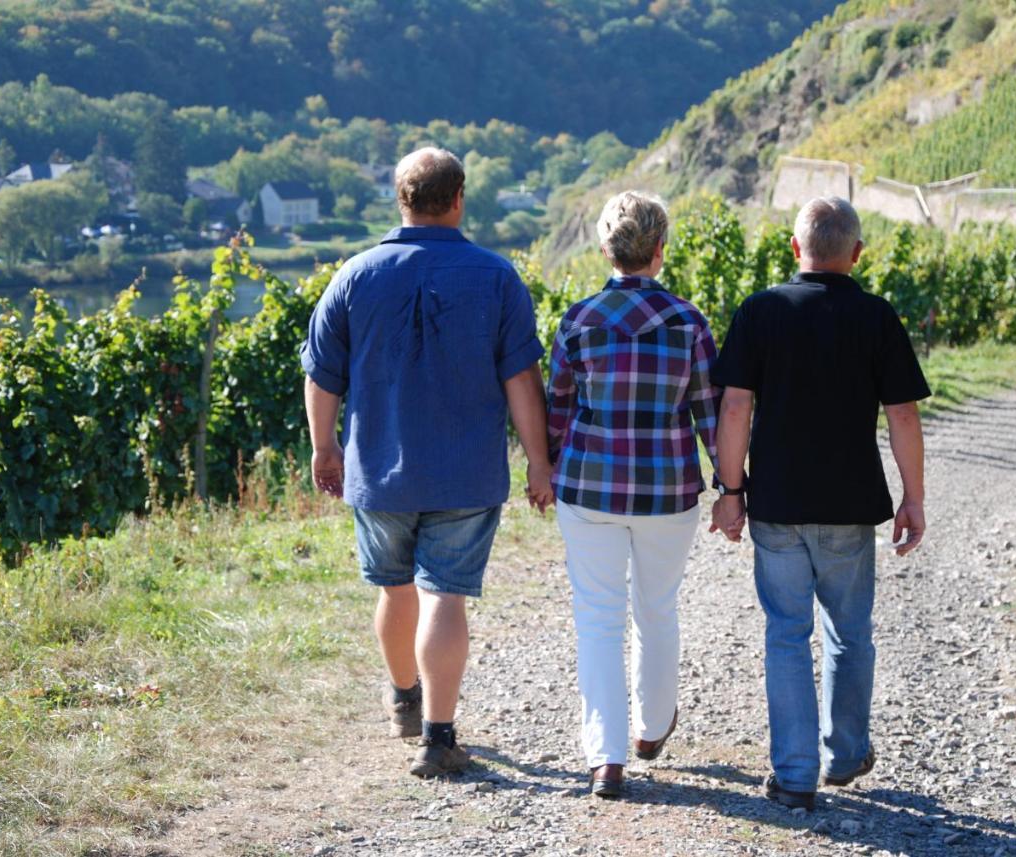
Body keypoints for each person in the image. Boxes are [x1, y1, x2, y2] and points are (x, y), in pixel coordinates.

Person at [301, 147, 554, 778]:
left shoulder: (355, 274)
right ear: (459, 197)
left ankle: (403, 702)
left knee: (393, 587)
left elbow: (321, 374)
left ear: (401, 199)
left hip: (380, 467)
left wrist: (324, 447)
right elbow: (523, 378)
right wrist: (538, 461)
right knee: (446, 596)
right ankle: (439, 739)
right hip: (466, 471)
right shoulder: (497, 276)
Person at [709, 196, 929, 811]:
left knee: (786, 634)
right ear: (856, 253)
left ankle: (796, 775)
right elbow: (903, 414)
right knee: (850, 633)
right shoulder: (877, 316)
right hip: (851, 506)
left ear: (792, 247)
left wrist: (731, 491)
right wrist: (913, 497)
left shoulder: (761, 310)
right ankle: (846, 752)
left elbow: (734, 406)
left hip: (777, 503)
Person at [547, 191, 722, 799]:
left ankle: (606, 758)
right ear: (660, 250)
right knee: (658, 608)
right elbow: (709, 412)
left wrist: (543, 471)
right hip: (668, 490)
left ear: (605, 249)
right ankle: (651, 730)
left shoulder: (578, 320)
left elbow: (557, 411)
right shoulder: (688, 322)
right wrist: (731, 485)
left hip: (589, 487)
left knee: (597, 620)